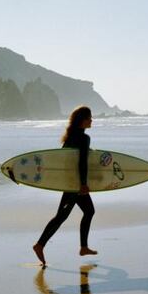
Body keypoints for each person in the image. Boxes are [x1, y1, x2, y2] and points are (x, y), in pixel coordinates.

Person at [33, 106, 97, 265]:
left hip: (69, 181)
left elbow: (63, 159)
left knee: (82, 212)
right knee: (65, 215)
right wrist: (83, 184)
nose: (91, 120)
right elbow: (82, 163)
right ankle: (40, 245)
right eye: (89, 117)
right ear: (82, 120)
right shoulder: (84, 138)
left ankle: (83, 247)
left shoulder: (70, 137)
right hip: (75, 183)